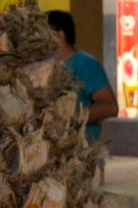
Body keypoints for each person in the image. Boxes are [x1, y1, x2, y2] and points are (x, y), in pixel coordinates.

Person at [45, 9, 117, 144]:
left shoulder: (86, 64)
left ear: (59, 36)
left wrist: (70, 117)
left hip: (79, 152)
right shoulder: (46, 67)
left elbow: (110, 106)